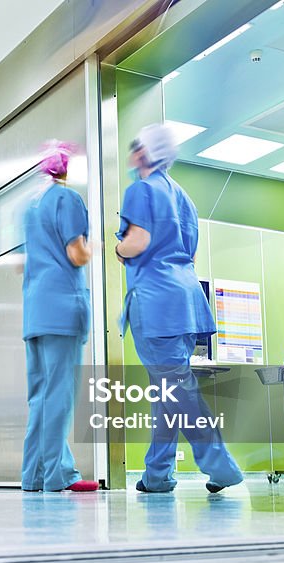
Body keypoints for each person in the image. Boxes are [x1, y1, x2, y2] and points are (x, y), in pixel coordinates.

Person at [115, 124, 243, 494]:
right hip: (186, 302)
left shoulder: (141, 189)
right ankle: (157, 474)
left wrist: (118, 248)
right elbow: (190, 251)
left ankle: (221, 465)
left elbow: (137, 242)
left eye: (134, 147)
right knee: (167, 393)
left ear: (143, 154)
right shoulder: (183, 196)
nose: (131, 154)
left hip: (157, 304)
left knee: (178, 391)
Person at [20, 140, 98, 493]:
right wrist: (99, 246)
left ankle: (33, 475)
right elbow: (77, 253)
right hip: (62, 309)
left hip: (36, 311)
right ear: (67, 167)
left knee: (40, 395)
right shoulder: (67, 199)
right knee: (59, 397)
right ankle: (55, 476)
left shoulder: (31, 208)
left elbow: (23, 265)